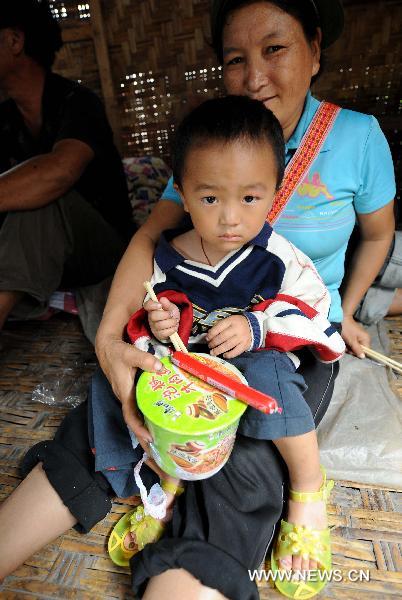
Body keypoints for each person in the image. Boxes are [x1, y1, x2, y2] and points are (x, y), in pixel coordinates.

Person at [0, 1, 396, 599]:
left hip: (285, 338)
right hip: (198, 335)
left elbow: (376, 235)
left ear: (315, 49)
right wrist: (115, 342)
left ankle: (236, 538)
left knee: (246, 452)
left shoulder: (358, 137)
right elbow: (153, 241)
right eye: (236, 59)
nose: (254, 75)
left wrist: (352, 308)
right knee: (122, 406)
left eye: (275, 49)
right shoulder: (208, 149)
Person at [96, 96, 345, 592]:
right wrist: (162, 323)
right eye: (210, 199)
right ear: (183, 195)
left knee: (264, 376)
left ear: (274, 192)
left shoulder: (277, 256)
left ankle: (307, 488)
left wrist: (257, 326)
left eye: (250, 198)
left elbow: (314, 307)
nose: (231, 217)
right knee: (156, 387)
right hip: (199, 369)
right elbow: (158, 318)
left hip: (263, 360)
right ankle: (167, 483)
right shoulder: (169, 258)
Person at [0, 0, 133, 333]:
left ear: (14, 41)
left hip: (102, 252)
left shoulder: (78, 102)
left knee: (44, 197)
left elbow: (59, 172)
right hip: (44, 260)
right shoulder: (4, 120)